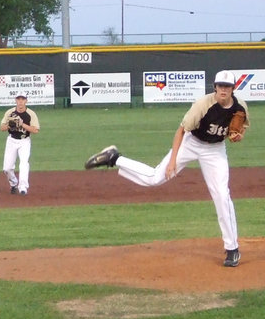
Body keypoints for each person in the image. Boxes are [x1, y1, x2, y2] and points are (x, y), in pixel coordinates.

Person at [85, 69, 250, 267]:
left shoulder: (240, 107)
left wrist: (238, 136)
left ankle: (232, 249)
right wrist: (173, 161)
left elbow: (239, 131)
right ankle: (114, 158)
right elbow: (181, 131)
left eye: (228, 86)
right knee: (155, 178)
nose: (223, 89)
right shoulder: (203, 105)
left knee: (222, 195)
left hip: (215, 150)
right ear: (214, 86)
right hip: (191, 143)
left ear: (234, 88)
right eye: (220, 85)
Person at [0, 93, 40, 196]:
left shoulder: (31, 114)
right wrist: (10, 125)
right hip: (12, 140)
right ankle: (13, 183)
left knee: (24, 164)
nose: (20, 101)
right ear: (16, 100)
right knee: (7, 168)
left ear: (26, 101)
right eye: (19, 99)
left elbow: (35, 130)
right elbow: (2, 128)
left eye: (23, 99)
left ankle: (23, 187)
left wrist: (22, 124)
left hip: (24, 141)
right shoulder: (10, 112)